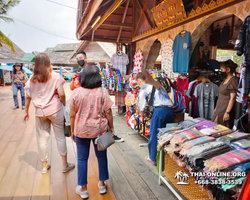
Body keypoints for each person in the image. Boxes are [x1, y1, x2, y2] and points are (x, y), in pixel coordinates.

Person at [24, 53, 75, 174]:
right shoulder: (55, 76)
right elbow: (62, 93)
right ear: (48, 62)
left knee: (42, 139)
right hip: (55, 110)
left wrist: (26, 111)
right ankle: (64, 165)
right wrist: (63, 103)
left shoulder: (31, 79)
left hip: (40, 112)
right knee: (60, 137)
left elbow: (27, 97)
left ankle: (44, 166)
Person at [69, 65, 114, 199]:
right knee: (101, 156)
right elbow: (109, 111)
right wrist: (111, 127)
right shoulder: (102, 92)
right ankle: (101, 184)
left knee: (82, 159)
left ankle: (83, 189)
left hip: (81, 130)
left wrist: (72, 130)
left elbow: (71, 114)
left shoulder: (77, 92)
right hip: (99, 130)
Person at [136, 69, 174, 165]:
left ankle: (153, 158)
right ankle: (166, 158)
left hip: (160, 111)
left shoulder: (144, 88)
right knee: (166, 135)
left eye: (138, 82)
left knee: (154, 134)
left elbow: (142, 105)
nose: (138, 84)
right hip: (170, 110)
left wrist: (142, 117)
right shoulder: (158, 85)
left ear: (140, 80)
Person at [212, 60, 239, 128]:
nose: (220, 71)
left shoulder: (233, 81)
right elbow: (221, 95)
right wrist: (216, 108)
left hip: (225, 109)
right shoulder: (225, 79)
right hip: (219, 107)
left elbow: (232, 98)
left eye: (222, 69)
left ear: (228, 70)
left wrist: (227, 112)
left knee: (222, 128)